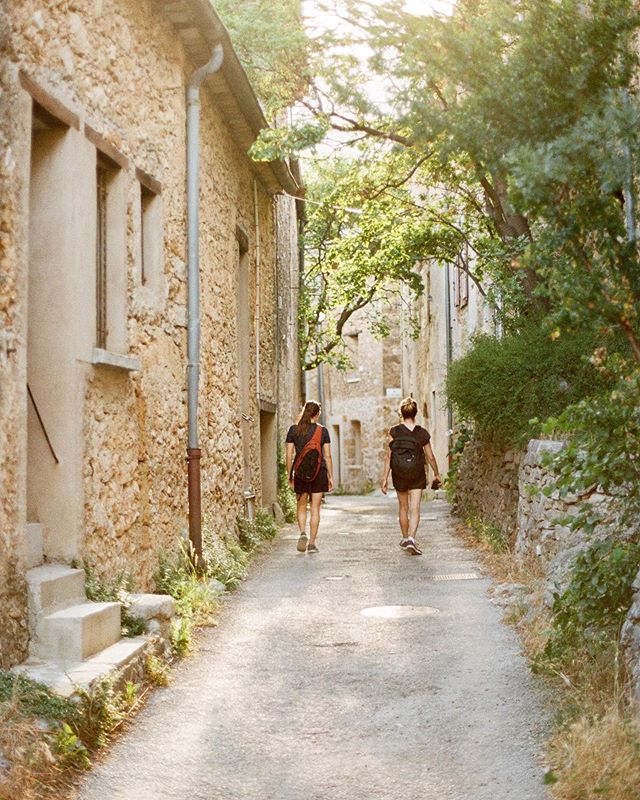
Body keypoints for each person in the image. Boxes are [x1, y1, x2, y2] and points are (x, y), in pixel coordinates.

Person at [380, 397, 441, 556]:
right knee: (415, 508)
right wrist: (436, 473)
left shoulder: (394, 431)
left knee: (403, 507)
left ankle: (405, 537)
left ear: (401, 413)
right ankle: (412, 539)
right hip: (417, 473)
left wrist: (384, 478)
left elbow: (389, 456)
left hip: (399, 472)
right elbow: (430, 457)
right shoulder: (422, 433)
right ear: (416, 413)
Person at [285, 401, 334, 554]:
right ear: (317, 414)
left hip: (300, 473)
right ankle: (312, 543)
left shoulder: (294, 430)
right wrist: (330, 476)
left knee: (301, 506)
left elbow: (288, 455)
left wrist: (290, 475)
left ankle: (302, 533)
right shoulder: (323, 431)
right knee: (315, 509)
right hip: (319, 473)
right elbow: (328, 455)